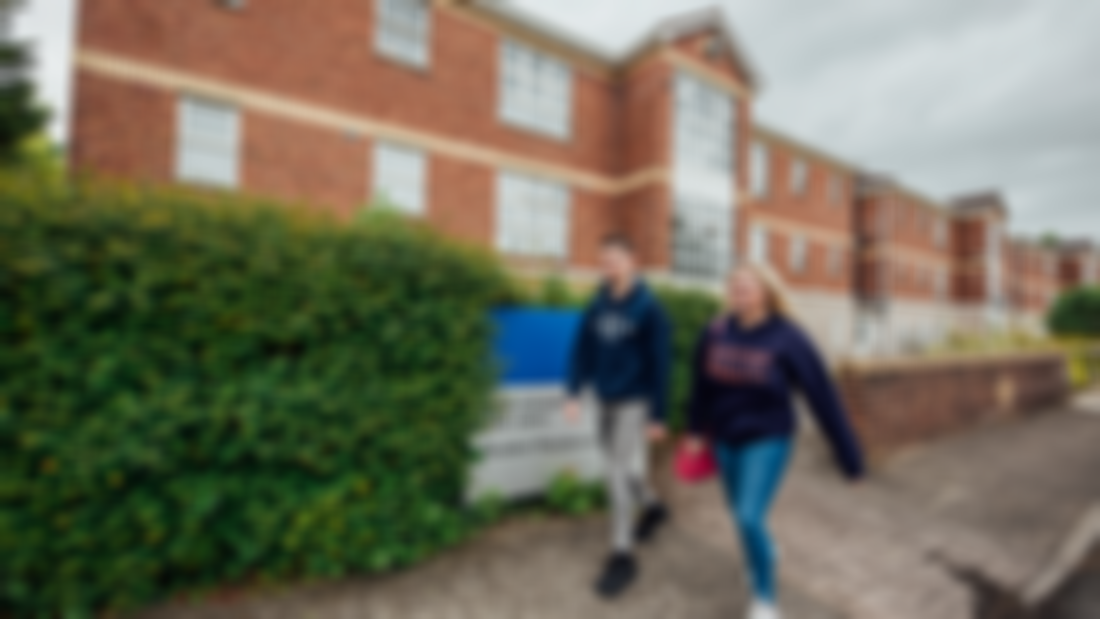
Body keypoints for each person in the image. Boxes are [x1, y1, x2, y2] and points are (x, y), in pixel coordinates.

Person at [683, 263, 864, 619]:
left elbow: (823, 397)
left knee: (749, 516)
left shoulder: (788, 336)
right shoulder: (716, 331)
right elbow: (700, 387)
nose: (739, 290)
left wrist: (850, 458)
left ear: (766, 291)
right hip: (725, 438)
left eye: (747, 285)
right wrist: (693, 431)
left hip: (768, 438)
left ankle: (765, 600)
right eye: (735, 285)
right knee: (741, 517)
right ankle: (761, 554)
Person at [565, 233, 673, 599]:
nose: (607, 266)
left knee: (613, 470)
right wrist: (574, 391)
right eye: (603, 260)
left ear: (632, 261)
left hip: (634, 401)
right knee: (618, 465)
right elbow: (582, 348)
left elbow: (661, 364)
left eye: (613, 259)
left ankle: (622, 553)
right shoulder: (597, 303)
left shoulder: (649, 308)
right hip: (604, 397)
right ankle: (653, 505)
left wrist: (658, 414)